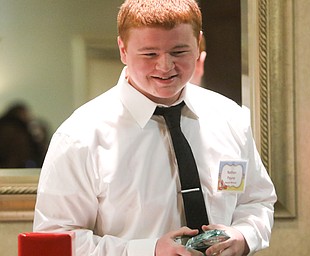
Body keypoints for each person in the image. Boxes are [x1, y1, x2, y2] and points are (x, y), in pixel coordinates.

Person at [33, 1, 277, 255]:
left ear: (198, 44)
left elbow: (257, 201)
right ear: (123, 50)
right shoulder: (80, 136)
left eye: (179, 52)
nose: (165, 66)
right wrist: (147, 251)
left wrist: (243, 235)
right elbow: (54, 241)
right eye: (150, 54)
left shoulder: (230, 117)